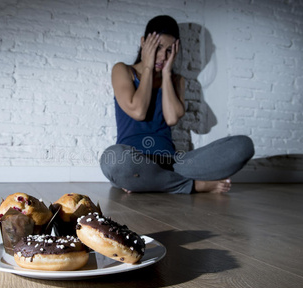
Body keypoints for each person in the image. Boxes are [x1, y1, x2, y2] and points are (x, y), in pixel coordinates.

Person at [100, 15, 254, 194]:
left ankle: (150, 182)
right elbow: (138, 111)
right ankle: (193, 185)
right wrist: (149, 66)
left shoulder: (176, 80)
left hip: (173, 163)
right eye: (157, 48)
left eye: (169, 51)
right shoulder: (123, 70)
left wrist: (166, 74)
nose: (162, 56)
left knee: (243, 146)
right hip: (135, 161)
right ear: (144, 42)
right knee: (113, 160)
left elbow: (172, 118)